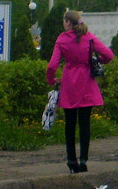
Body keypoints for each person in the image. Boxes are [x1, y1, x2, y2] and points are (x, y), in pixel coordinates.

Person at [46, 10, 114, 174]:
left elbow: (52, 65)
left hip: (69, 81)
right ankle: (84, 159)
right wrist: (97, 60)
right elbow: (108, 55)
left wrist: (51, 80)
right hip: (86, 82)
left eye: (64, 21)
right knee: (85, 123)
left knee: (70, 123)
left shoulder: (62, 39)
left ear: (68, 23)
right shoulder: (89, 37)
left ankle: (71, 159)